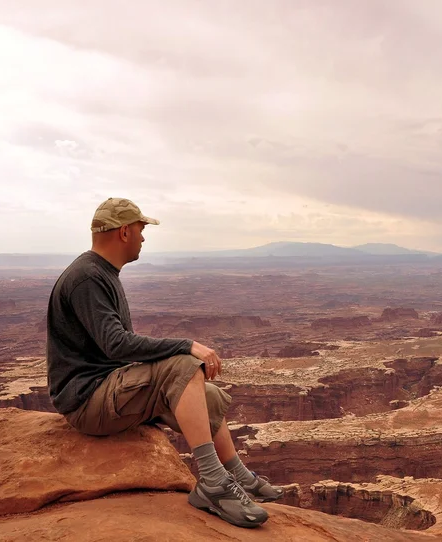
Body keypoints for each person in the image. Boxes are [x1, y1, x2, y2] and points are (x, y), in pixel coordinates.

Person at [46, 197, 282, 529]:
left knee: (207, 395)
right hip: (88, 400)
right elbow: (116, 344)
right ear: (125, 232)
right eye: (142, 230)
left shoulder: (101, 273)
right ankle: (213, 483)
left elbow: (115, 346)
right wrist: (187, 346)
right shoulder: (88, 277)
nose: (144, 238)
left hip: (107, 389)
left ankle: (237, 473)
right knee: (183, 365)